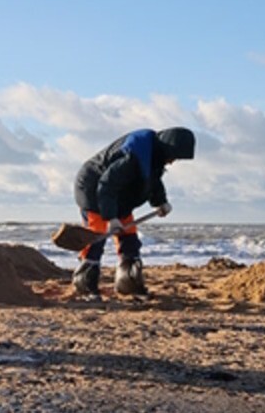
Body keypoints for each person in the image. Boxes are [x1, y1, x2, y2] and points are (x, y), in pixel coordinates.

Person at [71, 127, 195, 299]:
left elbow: (153, 180)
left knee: (129, 238)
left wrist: (160, 202)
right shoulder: (132, 156)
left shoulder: (154, 156)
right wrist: (111, 217)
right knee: (96, 237)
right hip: (93, 189)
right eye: (173, 157)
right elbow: (107, 184)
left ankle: (128, 284)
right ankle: (85, 286)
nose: (172, 162)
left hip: (119, 196)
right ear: (167, 148)